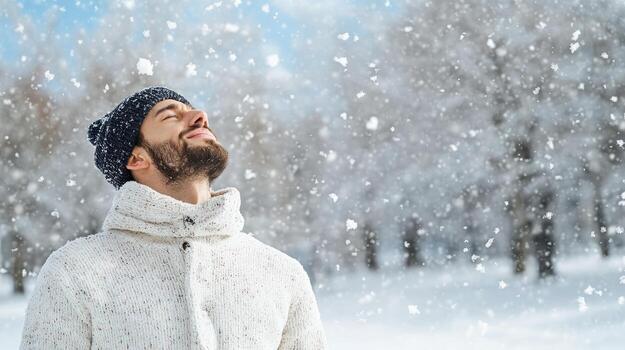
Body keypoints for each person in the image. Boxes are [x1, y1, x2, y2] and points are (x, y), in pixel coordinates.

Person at [19, 86, 327, 349]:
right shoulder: (75, 271)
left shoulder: (281, 272)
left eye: (193, 111)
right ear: (136, 158)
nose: (199, 116)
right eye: (170, 115)